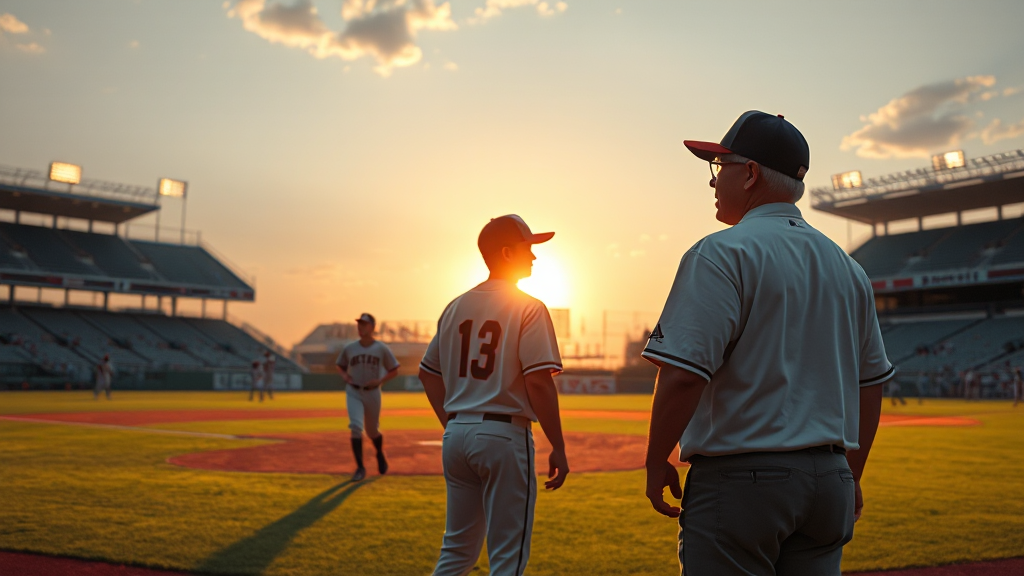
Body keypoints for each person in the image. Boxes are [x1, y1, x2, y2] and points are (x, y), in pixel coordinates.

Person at [642, 111, 894, 576]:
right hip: (831, 480)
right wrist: (849, 474)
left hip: (742, 481)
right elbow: (870, 383)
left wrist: (656, 459)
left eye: (721, 168)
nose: (714, 182)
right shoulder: (850, 268)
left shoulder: (720, 251)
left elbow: (681, 375)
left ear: (752, 173)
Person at [419, 214, 569, 576]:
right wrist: (558, 446)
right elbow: (538, 381)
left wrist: (455, 422)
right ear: (505, 253)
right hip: (504, 435)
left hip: (456, 434)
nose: (534, 257)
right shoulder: (528, 306)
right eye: (527, 248)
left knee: (456, 552)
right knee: (508, 558)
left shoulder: (455, 306)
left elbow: (428, 373)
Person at [336, 313, 400, 482]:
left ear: (372, 327)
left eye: (364, 324)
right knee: (356, 426)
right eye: (359, 324)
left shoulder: (381, 348)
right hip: (354, 391)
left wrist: (380, 380)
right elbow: (340, 365)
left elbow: (394, 369)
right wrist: (344, 376)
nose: (360, 327)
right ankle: (360, 468)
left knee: (372, 431)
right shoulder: (350, 348)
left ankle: (379, 453)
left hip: (373, 392)